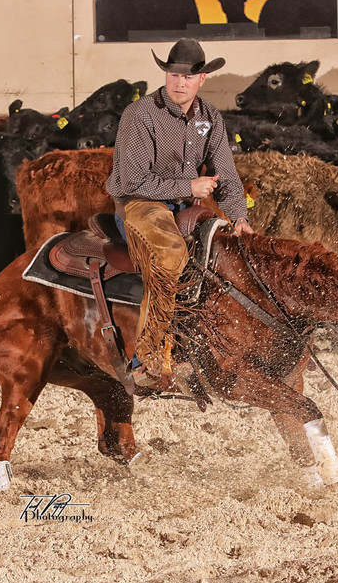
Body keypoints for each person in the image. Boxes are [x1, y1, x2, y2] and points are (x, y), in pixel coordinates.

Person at [106, 38, 251, 389]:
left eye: (188, 76)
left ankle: (204, 347)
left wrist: (240, 217)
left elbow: (227, 175)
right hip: (139, 203)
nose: (179, 82)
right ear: (166, 75)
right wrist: (189, 187)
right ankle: (147, 359)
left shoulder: (209, 117)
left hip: (186, 206)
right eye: (173, 74)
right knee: (170, 254)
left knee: (224, 257)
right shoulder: (139, 114)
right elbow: (135, 180)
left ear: (202, 79)